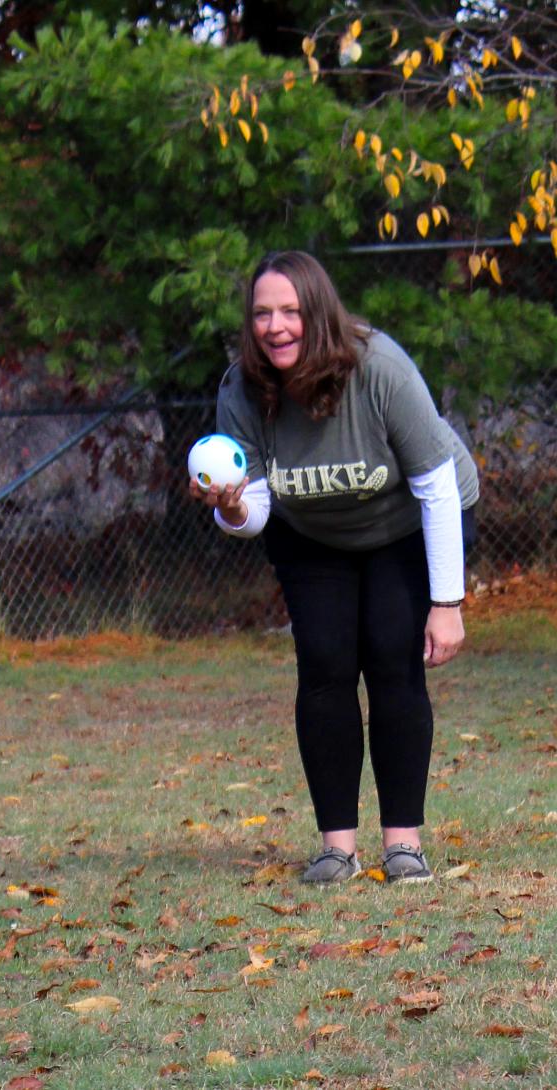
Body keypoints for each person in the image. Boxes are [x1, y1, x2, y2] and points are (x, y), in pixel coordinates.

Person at [191, 251, 478, 884]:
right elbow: (258, 509)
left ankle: (403, 844)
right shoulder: (243, 387)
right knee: (324, 666)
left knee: (391, 658)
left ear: (317, 312)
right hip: (314, 532)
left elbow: (436, 489)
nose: (275, 326)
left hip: (409, 523)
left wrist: (447, 603)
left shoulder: (379, 369)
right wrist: (232, 506)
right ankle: (336, 848)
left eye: (290, 310)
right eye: (262, 313)